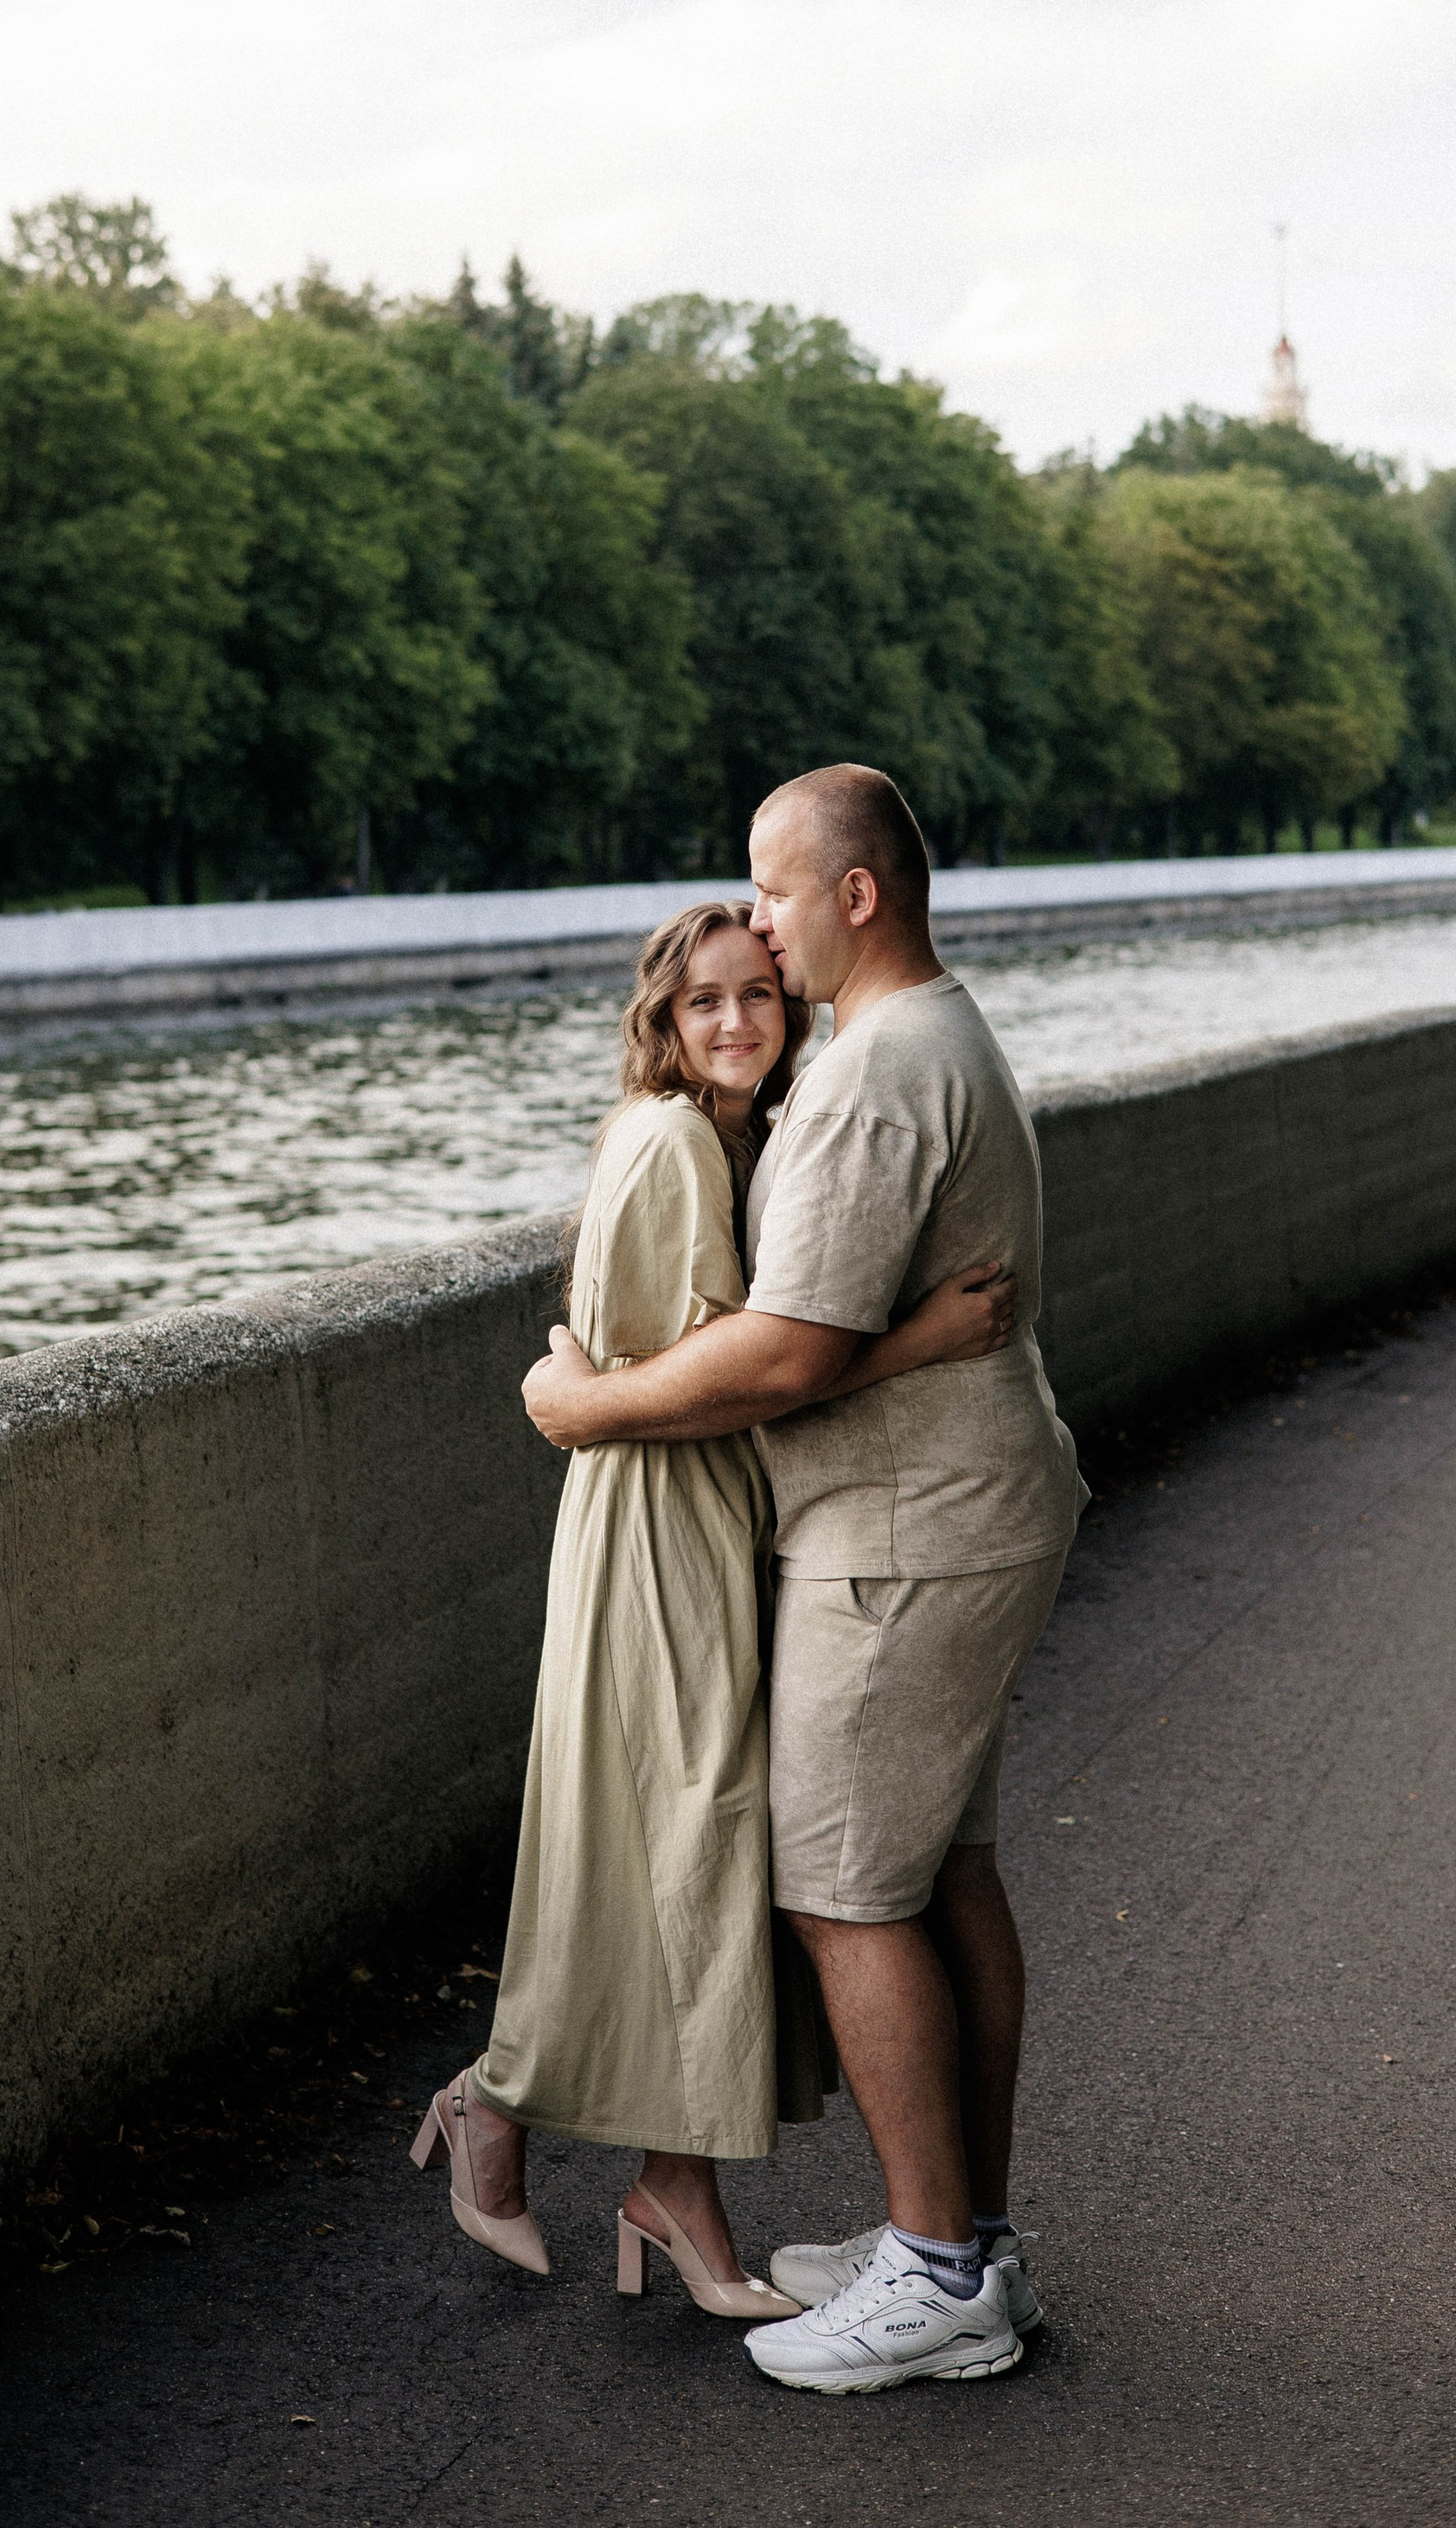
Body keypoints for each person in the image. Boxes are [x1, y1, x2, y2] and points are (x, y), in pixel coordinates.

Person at [524, 766, 1087, 2394]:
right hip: (962, 1508)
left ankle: (934, 2274)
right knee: (943, 1876)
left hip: (902, 1536)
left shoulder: (868, 1080)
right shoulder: (928, 1038)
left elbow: (781, 1355)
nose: (758, 925)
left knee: (843, 1887)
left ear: (856, 895)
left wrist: (577, 1406)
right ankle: (967, 2236)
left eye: (773, 893)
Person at [414, 897, 1021, 2318]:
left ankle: (673, 2187)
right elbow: (727, 1387)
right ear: (663, 1022)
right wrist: (920, 1341)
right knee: (679, 1838)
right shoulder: (679, 1142)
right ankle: (496, 2102)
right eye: (706, 1003)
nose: (740, 1019)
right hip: (665, 1522)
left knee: (713, 1849)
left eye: (760, 991)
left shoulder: (749, 1130)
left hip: (714, 1509)